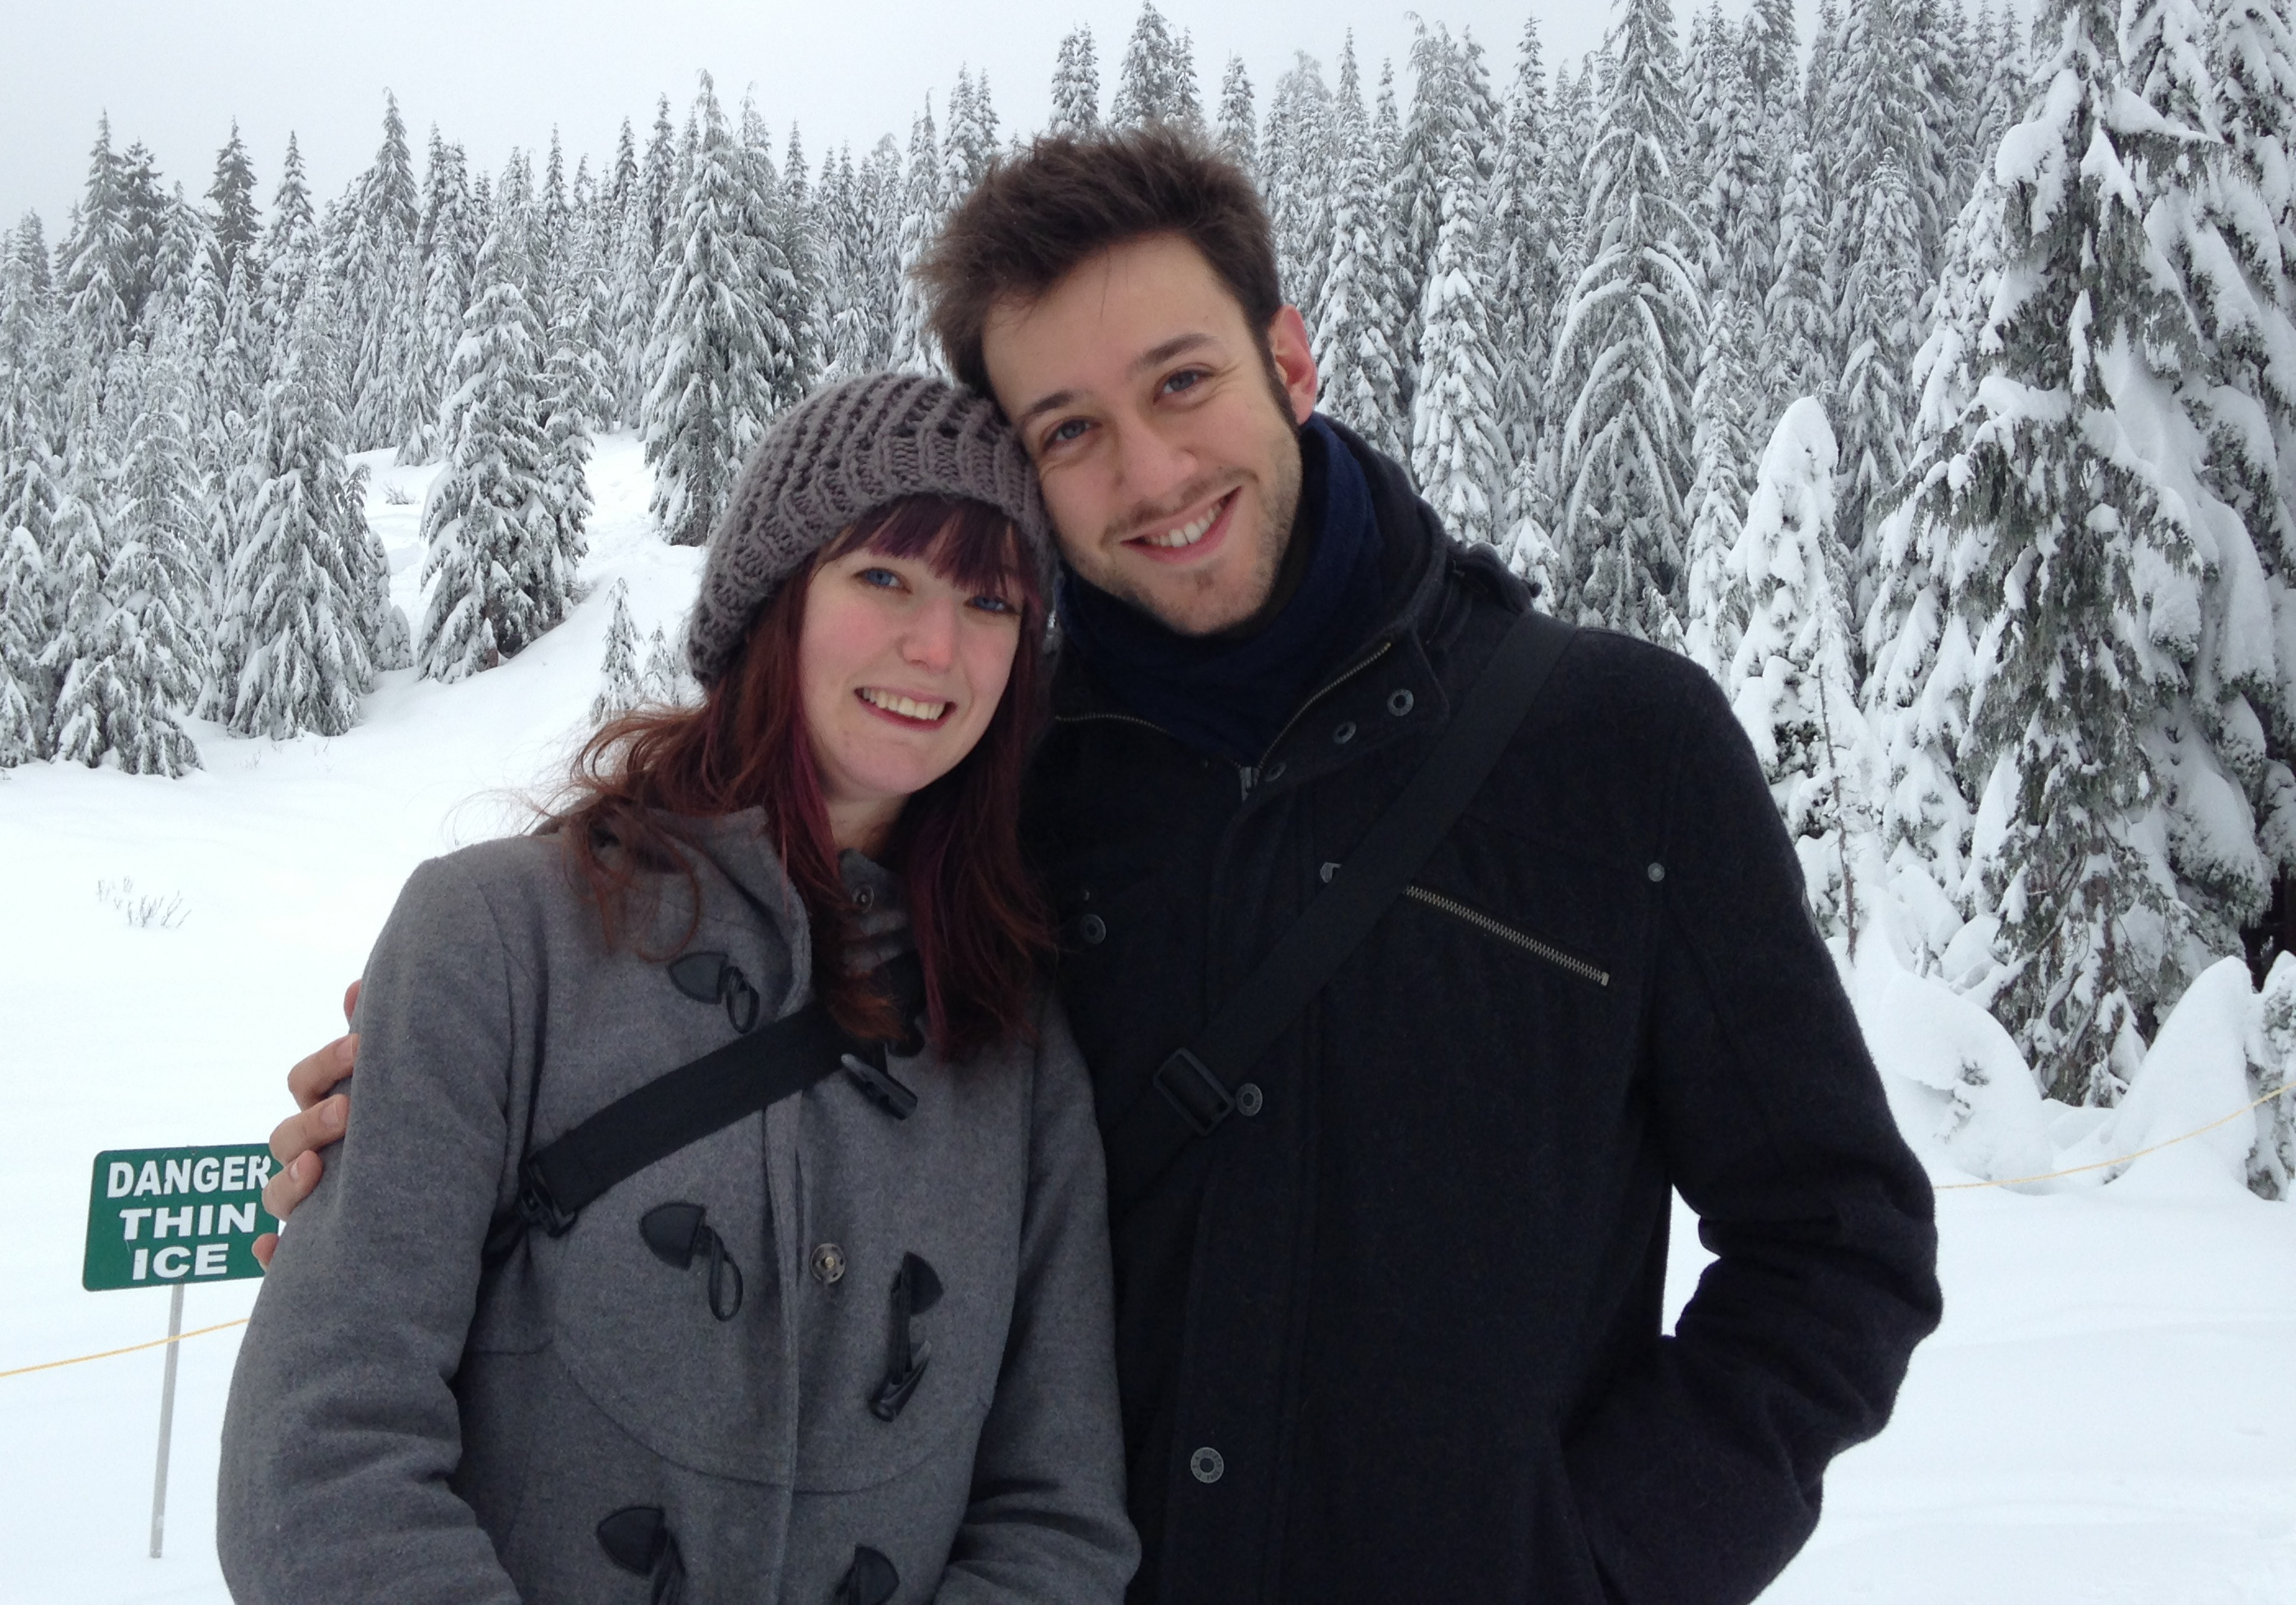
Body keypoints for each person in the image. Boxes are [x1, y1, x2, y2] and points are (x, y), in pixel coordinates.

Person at [262, 130, 1943, 1604]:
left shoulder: (1612, 750)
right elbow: (717, 966)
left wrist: (1601, 1561)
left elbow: (1837, 1237)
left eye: (1183, 382)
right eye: (1069, 430)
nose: (1150, 476)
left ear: (1291, 355)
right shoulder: (1006, 805)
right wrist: (424, 1081)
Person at [218, 374, 1139, 1605]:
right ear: (775, 599)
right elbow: (319, 1457)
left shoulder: (1011, 1035)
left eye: (991, 603)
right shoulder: (497, 938)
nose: (938, 647)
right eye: (884, 579)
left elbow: (1059, 1515)